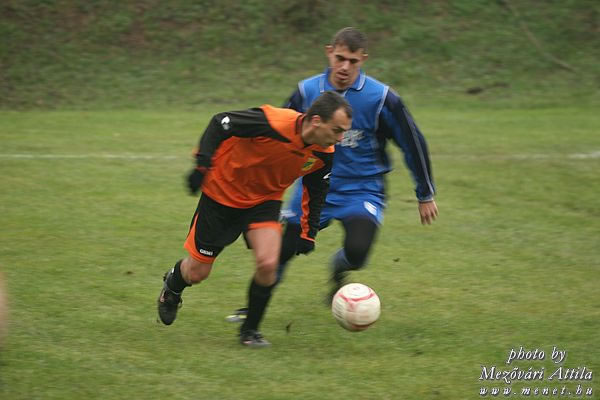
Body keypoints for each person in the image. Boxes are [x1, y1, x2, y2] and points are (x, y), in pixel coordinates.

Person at [227, 27, 437, 323]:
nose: (345, 67)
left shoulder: (381, 98)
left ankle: (339, 269)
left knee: (358, 252)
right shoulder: (307, 92)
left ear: (363, 59)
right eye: (340, 58)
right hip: (313, 187)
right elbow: (279, 134)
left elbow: (412, 142)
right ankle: (252, 312)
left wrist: (425, 193)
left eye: (353, 61)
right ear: (329, 53)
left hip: (363, 189)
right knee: (282, 250)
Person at [157, 91, 353, 348]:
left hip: (264, 201)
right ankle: (173, 285)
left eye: (343, 132)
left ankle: (249, 332)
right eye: (337, 130)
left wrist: (309, 232)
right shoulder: (273, 122)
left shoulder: (324, 152)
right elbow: (221, 122)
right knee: (197, 272)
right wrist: (202, 166)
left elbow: (316, 189)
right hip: (221, 195)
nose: (340, 138)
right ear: (316, 121)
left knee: (268, 264)